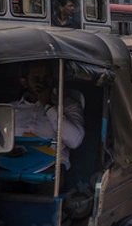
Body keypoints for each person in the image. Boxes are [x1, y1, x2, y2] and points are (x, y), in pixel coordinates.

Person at [9, 61, 85, 189]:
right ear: (24, 82)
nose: (42, 83)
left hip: (50, 169)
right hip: (13, 167)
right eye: (36, 79)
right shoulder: (10, 109)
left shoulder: (68, 105)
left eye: (47, 78)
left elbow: (75, 141)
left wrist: (48, 105)